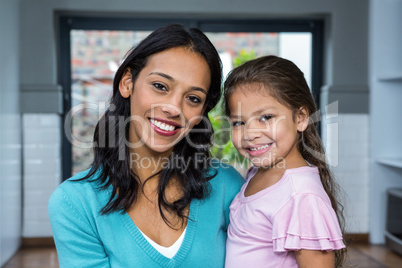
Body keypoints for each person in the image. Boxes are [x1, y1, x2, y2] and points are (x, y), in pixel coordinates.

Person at [48, 24, 244, 267]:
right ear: (127, 82)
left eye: (193, 98)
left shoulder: (228, 186)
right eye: (160, 86)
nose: (173, 108)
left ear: (203, 111)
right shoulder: (74, 203)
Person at [223, 55, 346, 268]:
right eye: (239, 122)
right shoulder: (258, 172)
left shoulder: (301, 195)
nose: (250, 133)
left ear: (300, 118)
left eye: (266, 117)